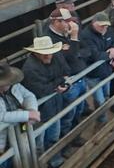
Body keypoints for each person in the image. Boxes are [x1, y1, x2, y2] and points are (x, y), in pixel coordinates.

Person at [22, 36, 70, 168]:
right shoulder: (30, 69)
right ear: (36, 53)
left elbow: (65, 73)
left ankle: (54, 160)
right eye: (45, 53)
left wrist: (60, 84)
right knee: (38, 142)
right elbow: (41, 91)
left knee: (53, 135)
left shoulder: (53, 59)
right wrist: (58, 83)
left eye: (50, 52)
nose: (48, 56)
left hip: (52, 105)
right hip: (39, 111)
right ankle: (40, 164)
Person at [43, 9, 87, 147]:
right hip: (68, 82)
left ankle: (75, 136)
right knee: (68, 114)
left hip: (78, 77)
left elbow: (85, 50)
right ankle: (67, 143)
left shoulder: (63, 33)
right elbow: (70, 57)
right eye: (66, 22)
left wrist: (73, 44)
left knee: (78, 110)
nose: (71, 24)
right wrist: (74, 37)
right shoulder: (49, 39)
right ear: (56, 22)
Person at [79, 12, 114, 125]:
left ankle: (103, 117)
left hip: (106, 70)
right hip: (93, 74)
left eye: (106, 26)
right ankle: (102, 121)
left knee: (106, 96)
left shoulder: (107, 30)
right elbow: (94, 55)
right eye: (101, 25)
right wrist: (109, 55)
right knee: (99, 100)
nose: (104, 28)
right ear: (93, 23)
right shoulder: (86, 36)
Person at [0, 62, 40, 168]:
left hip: (20, 133)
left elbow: (29, 95)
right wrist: (27, 115)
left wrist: (32, 109)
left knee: (25, 157)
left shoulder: (14, 85)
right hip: (3, 141)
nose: (6, 84)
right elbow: (1, 116)